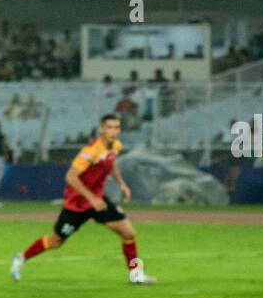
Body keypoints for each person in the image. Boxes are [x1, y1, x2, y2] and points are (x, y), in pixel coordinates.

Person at [11, 114, 156, 285]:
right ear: (101, 129)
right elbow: (71, 177)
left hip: (99, 201)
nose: (113, 131)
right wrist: (91, 198)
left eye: (117, 127)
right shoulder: (90, 151)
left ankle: (135, 275)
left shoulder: (115, 146)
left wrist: (122, 184)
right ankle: (21, 257)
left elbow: (111, 164)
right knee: (56, 241)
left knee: (128, 233)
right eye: (109, 127)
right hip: (77, 204)